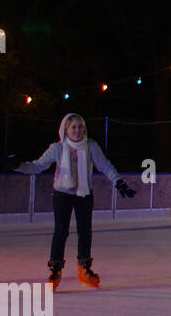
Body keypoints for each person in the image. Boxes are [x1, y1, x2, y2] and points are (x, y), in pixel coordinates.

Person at [14, 112, 136, 290]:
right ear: (66, 129)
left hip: (84, 195)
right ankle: (55, 270)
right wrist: (17, 166)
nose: (77, 130)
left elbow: (105, 165)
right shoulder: (58, 148)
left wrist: (119, 182)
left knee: (85, 231)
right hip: (62, 194)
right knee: (61, 232)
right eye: (73, 127)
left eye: (80, 127)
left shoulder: (91, 146)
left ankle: (84, 269)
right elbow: (37, 166)